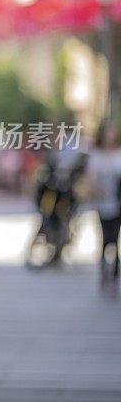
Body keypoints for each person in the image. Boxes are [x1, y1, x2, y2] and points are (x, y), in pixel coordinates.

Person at [85, 120, 121, 292]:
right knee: (105, 240)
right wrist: (96, 188)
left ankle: (114, 276)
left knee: (115, 240)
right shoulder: (96, 156)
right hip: (102, 203)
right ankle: (103, 274)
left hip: (118, 203)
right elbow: (90, 178)